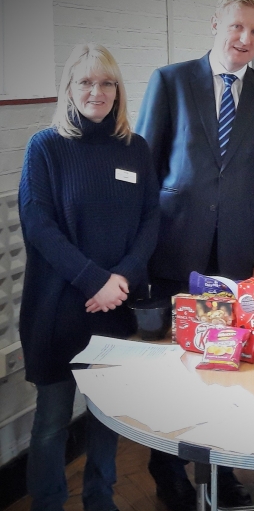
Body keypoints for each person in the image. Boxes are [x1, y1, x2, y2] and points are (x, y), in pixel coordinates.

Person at [135, 0, 254, 510]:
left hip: (237, 261)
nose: (245, 39)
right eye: (237, 27)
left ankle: (221, 470)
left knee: (230, 369)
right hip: (175, 251)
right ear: (216, 23)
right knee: (178, 368)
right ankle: (168, 468)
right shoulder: (171, 81)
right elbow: (144, 171)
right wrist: (141, 252)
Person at [18, 43, 160, 511]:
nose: (96, 92)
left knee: (107, 417)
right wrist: (93, 280)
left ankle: (101, 499)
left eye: (106, 83)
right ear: (69, 90)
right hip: (58, 310)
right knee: (53, 421)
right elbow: (38, 225)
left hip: (116, 309)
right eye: (85, 82)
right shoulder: (46, 147)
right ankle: (47, 503)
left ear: (118, 91)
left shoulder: (134, 149)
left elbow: (150, 220)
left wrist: (121, 278)